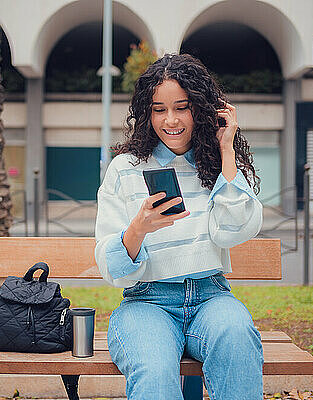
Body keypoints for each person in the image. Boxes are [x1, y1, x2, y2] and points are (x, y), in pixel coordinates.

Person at [94, 53, 264, 399]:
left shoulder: (220, 166)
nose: (170, 120)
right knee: (155, 373)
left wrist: (227, 149)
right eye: (159, 109)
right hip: (146, 303)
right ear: (147, 113)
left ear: (201, 109)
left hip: (211, 297)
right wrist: (138, 228)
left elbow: (231, 231)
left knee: (237, 338)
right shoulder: (125, 168)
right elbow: (112, 269)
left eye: (181, 107)